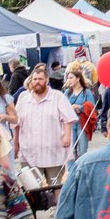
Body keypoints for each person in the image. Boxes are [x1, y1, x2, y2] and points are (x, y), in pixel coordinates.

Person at [13, 64, 78, 209]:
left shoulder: (57, 97)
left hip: (53, 151)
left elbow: (68, 118)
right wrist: (15, 144)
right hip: (30, 151)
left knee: (56, 184)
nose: (37, 82)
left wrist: (67, 136)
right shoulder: (24, 98)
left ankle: (58, 209)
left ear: (47, 80)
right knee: (31, 186)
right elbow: (16, 123)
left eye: (40, 79)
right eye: (35, 79)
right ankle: (33, 212)